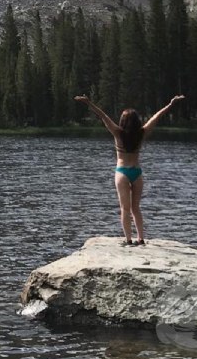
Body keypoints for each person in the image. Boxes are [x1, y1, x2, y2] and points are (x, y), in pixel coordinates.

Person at [74, 93, 184, 246]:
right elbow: (156, 117)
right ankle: (141, 238)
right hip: (137, 173)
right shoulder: (142, 133)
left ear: (123, 121)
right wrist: (171, 104)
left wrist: (88, 103)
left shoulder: (117, 133)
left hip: (122, 173)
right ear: (137, 121)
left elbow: (103, 116)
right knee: (136, 208)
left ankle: (128, 240)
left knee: (125, 209)